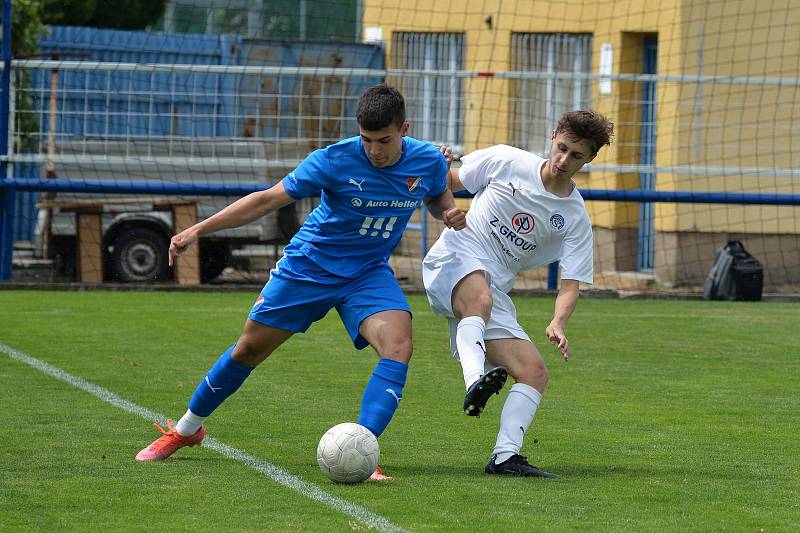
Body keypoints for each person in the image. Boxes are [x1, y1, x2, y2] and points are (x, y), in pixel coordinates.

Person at [136, 84, 466, 481]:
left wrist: (448, 211)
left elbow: (437, 194)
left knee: (398, 345)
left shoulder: (428, 160)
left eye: (384, 140)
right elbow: (265, 200)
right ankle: (186, 430)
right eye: (367, 140)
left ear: (404, 129)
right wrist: (197, 231)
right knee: (247, 351)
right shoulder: (333, 160)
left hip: (367, 273)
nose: (375, 150)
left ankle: (362, 446)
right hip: (308, 267)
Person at [423, 110, 614, 477]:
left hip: (493, 286)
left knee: (534, 372)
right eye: (561, 148)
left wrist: (559, 320)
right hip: (455, 255)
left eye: (576, 156)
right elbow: (447, 180)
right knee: (479, 300)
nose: (563, 160)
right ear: (553, 136)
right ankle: (474, 381)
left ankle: (505, 457)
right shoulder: (507, 160)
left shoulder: (574, 216)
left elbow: (570, 284)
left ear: (590, 158)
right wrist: (435, 164)